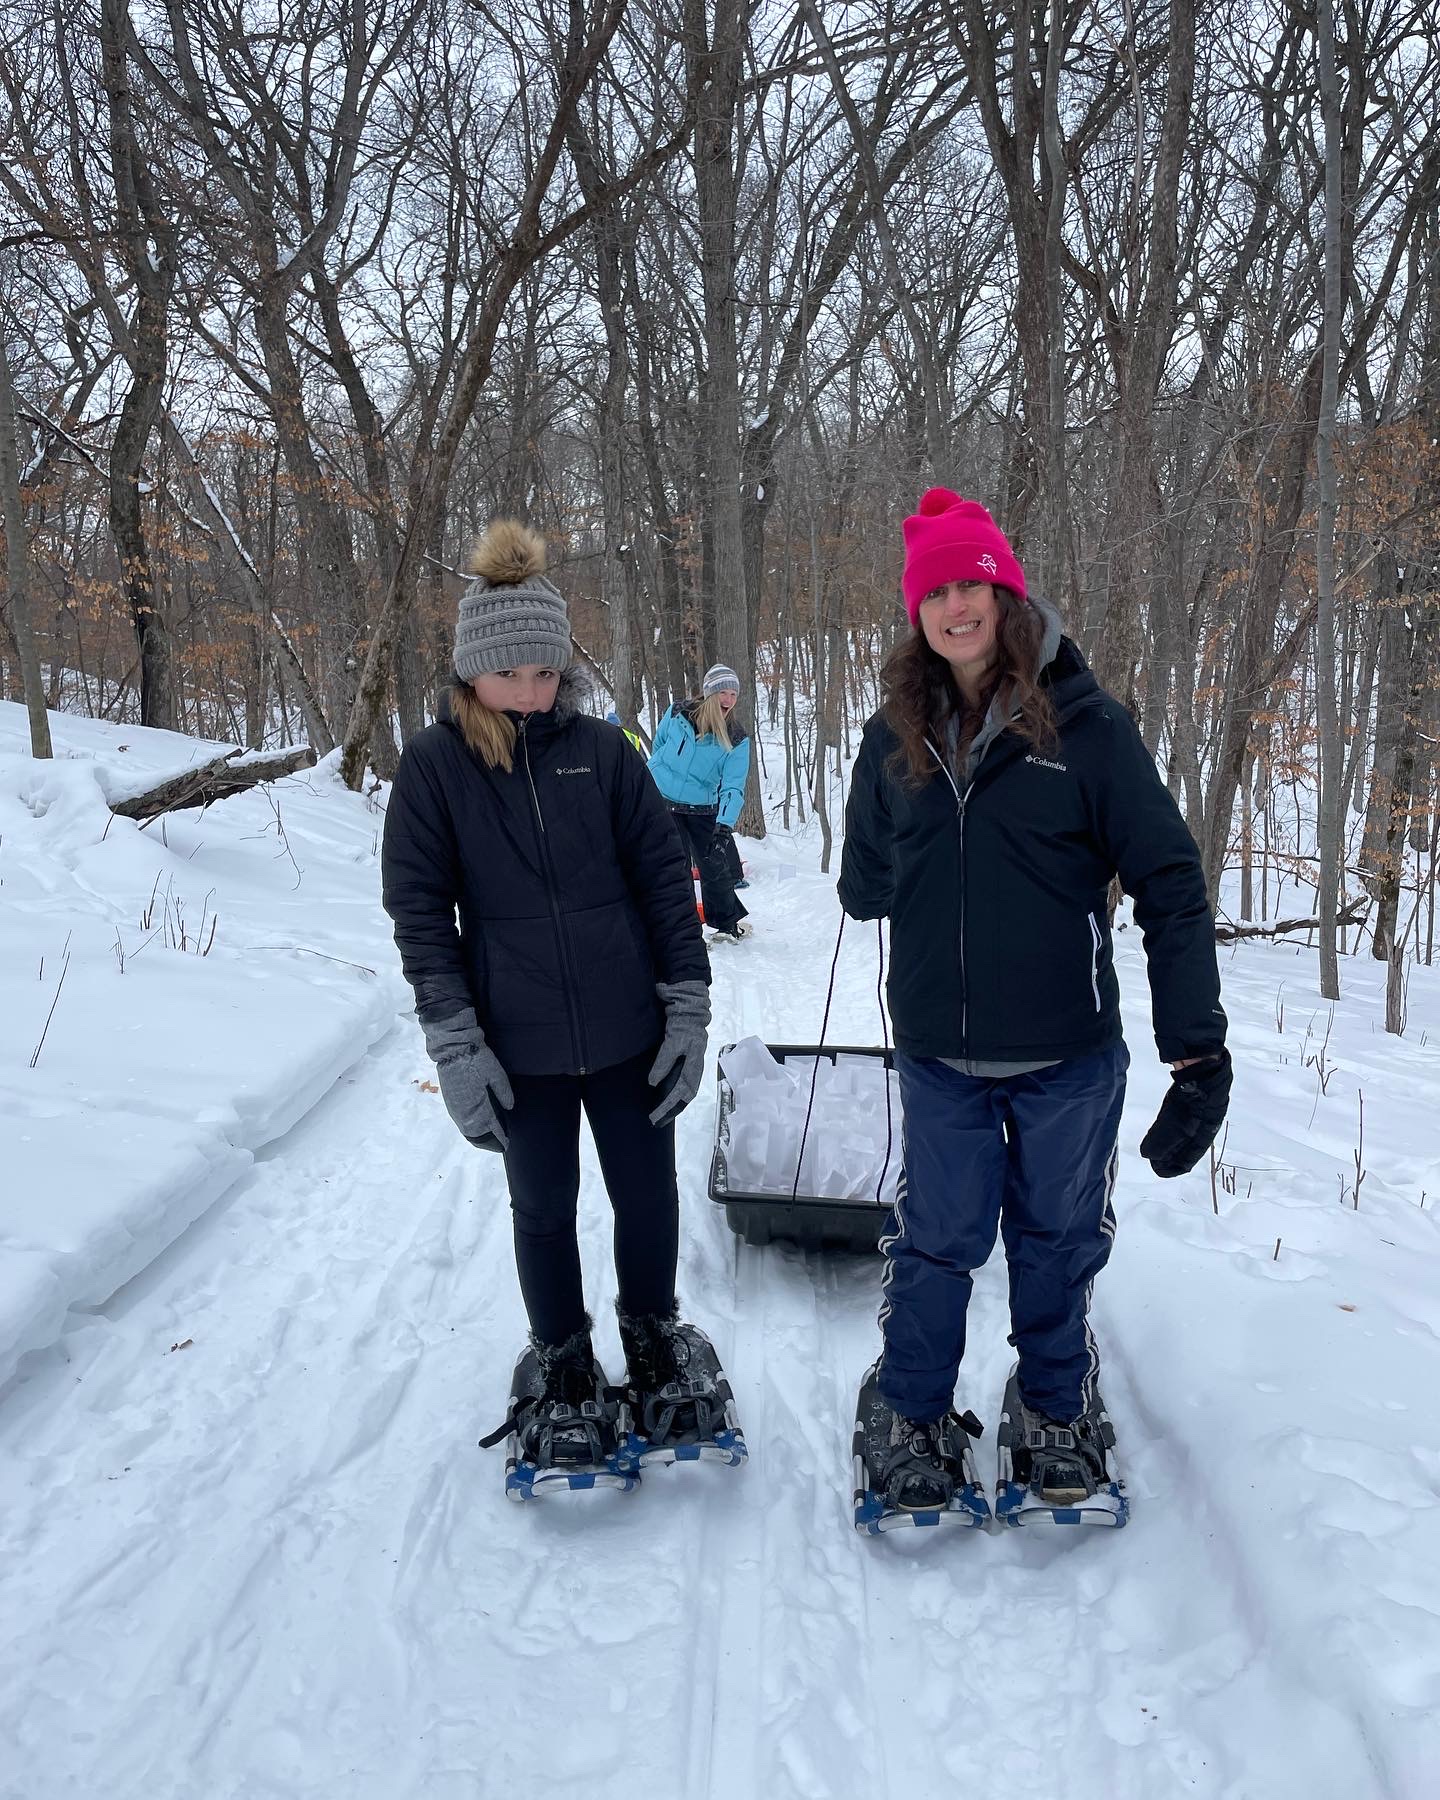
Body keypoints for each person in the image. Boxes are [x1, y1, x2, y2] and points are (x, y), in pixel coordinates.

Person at [838, 488, 1231, 1518]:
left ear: (1006, 592)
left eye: (972, 583)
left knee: (1058, 1239)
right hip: (939, 1054)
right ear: (916, 611)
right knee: (939, 1240)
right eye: (936, 591)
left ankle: (1056, 1408)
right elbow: (864, 884)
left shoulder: (1090, 730)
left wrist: (1199, 1054)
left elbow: (1171, 881)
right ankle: (914, 1413)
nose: (955, 607)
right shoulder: (895, 735)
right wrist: (871, 848)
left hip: (1066, 1055)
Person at [381, 519, 727, 1474]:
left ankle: (652, 1335)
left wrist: (687, 1005)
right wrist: (455, 1042)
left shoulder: (604, 752)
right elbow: (419, 914)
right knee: (542, 1205)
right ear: (471, 674)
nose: (533, 693)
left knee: (646, 1195)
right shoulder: (435, 767)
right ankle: (564, 1352)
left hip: (628, 1029)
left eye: (547, 672)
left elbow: (664, 877)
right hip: (517, 1043)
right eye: (512, 675)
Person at [647, 664, 753, 941]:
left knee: (714, 866)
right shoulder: (676, 713)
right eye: (723, 692)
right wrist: (654, 776)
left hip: (702, 807)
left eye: (733, 694)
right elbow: (659, 745)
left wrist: (724, 827)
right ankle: (681, 928)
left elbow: (733, 787)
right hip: (662, 800)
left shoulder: (736, 738)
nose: (728, 700)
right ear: (708, 693)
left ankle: (727, 922)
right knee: (674, 866)